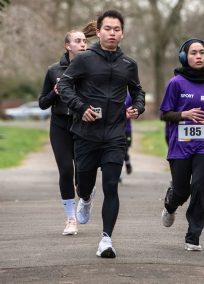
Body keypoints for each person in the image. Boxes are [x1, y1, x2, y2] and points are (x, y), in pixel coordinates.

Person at [58, 10, 145, 258]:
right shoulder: (84, 60)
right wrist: (81, 107)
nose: (112, 33)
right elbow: (64, 85)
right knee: (83, 185)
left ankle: (106, 240)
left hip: (115, 136)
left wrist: (137, 107)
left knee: (111, 186)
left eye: (117, 29)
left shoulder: (129, 64)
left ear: (122, 33)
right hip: (86, 135)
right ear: (98, 31)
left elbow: (139, 92)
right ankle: (85, 198)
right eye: (107, 28)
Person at [160, 38, 204, 251]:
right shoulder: (175, 83)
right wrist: (184, 114)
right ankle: (170, 203)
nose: (198, 56)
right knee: (181, 191)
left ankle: (193, 236)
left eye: (202, 52)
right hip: (180, 145)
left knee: (200, 186)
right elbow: (164, 114)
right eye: (194, 52)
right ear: (185, 57)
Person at [38, 21, 96, 236]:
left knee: (83, 173)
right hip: (60, 125)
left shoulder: (92, 69)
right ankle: (70, 219)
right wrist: (54, 92)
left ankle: (86, 196)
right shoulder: (54, 70)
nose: (83, 44)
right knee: (65, 170)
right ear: (67, 46)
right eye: (78, 41)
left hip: (84, 125)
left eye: (84, 41)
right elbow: (43, 103)